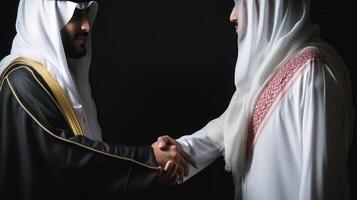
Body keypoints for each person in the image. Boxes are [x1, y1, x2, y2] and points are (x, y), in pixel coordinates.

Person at [158, 0, 355, 199]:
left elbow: (321, 183)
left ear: (272, 7)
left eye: (242, 4)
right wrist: (171, 153)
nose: (233, 16)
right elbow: (217, 134)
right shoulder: (264, 74)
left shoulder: (312, 69)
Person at [0, 0, 196, 199]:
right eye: (75, 15)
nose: (87, 25)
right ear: (43, 19)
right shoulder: (20, 80)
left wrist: (152, 167)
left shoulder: (60, 79)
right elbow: (62, 156)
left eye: (87, 13)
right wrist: (148, 160)